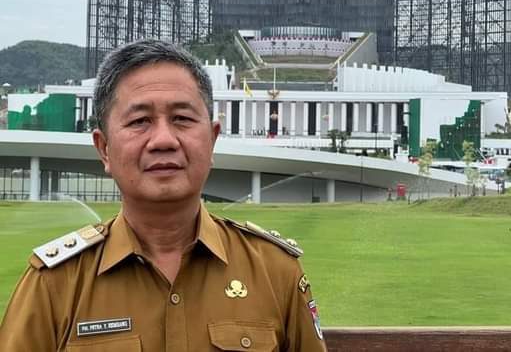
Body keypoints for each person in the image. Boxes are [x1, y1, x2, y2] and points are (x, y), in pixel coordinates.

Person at [1, 39, 327, 351]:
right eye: (140, 121)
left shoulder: (274, 271)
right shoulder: (55, 284)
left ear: (212, 140)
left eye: (182, 119)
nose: (163, 140)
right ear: (104, 149)